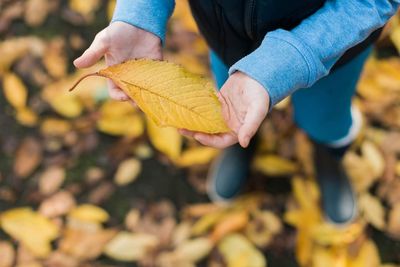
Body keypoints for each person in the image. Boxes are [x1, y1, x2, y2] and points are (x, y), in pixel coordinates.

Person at [74, 0, 400, 225]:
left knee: (325, 119)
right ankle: (244, 146)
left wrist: (283, 61)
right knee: (229, 114)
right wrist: (140, 12)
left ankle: (329, 159)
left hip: (331, 48)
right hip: (228, 42)